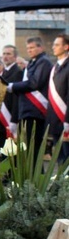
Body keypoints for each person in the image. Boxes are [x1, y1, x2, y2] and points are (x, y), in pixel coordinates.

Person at [6, 37, 51, 160]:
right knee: (25, 149)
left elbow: (34, 83)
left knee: (34, 150)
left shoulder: (44, 62)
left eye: (32, 47)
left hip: (36, 110)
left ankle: (37, 177)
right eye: (27, 48)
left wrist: (13, 86)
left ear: (40, 47)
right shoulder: (32, 63)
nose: (29, 50)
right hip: (26, 110)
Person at [45, 34, 69, 162]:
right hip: (55, 120)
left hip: (65, 118)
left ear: (66, 47)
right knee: (60, 158)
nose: (53, 47)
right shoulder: (55, 67)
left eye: (57, 44)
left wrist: (67, 120)